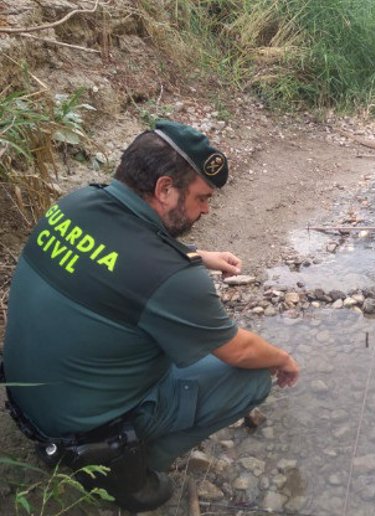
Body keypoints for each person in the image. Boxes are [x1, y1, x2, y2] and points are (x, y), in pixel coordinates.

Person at [2, 119, 300, 512]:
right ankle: (130, 467)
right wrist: (283, 358)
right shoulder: (173, 279)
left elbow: (118, 261)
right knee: (254, 376)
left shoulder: (74, 204)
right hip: (83, 432)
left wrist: (197, 255)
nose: (207, 209)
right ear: (164, 189)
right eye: (201, 198)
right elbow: (239, 351)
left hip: (27, 404)